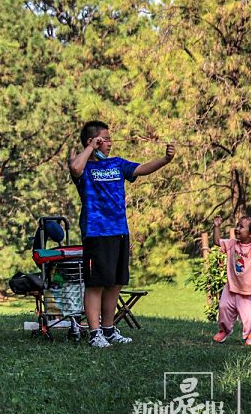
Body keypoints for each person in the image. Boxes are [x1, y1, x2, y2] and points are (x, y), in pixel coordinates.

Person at [68, 121, 174, 348]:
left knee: (115, 282)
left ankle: (108, 329)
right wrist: (89, 149)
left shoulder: (117, 164)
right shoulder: (85, 167)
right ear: (92, 141)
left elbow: (141, 169)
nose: (109, 143)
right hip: (96, 233)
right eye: (104, 139)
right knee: (95, 283)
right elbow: (74, 168)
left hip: (119, 231)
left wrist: (165, 160)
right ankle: (94, 333)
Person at [212, 215, 251, 345]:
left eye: (241, 227)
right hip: (231, 287)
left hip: (247, 291)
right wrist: (216, 226)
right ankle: (224, 330)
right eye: (237, 225)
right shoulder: (232, 244)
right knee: (223, 307)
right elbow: (216, 241)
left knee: (248, 316)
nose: (237, 229)